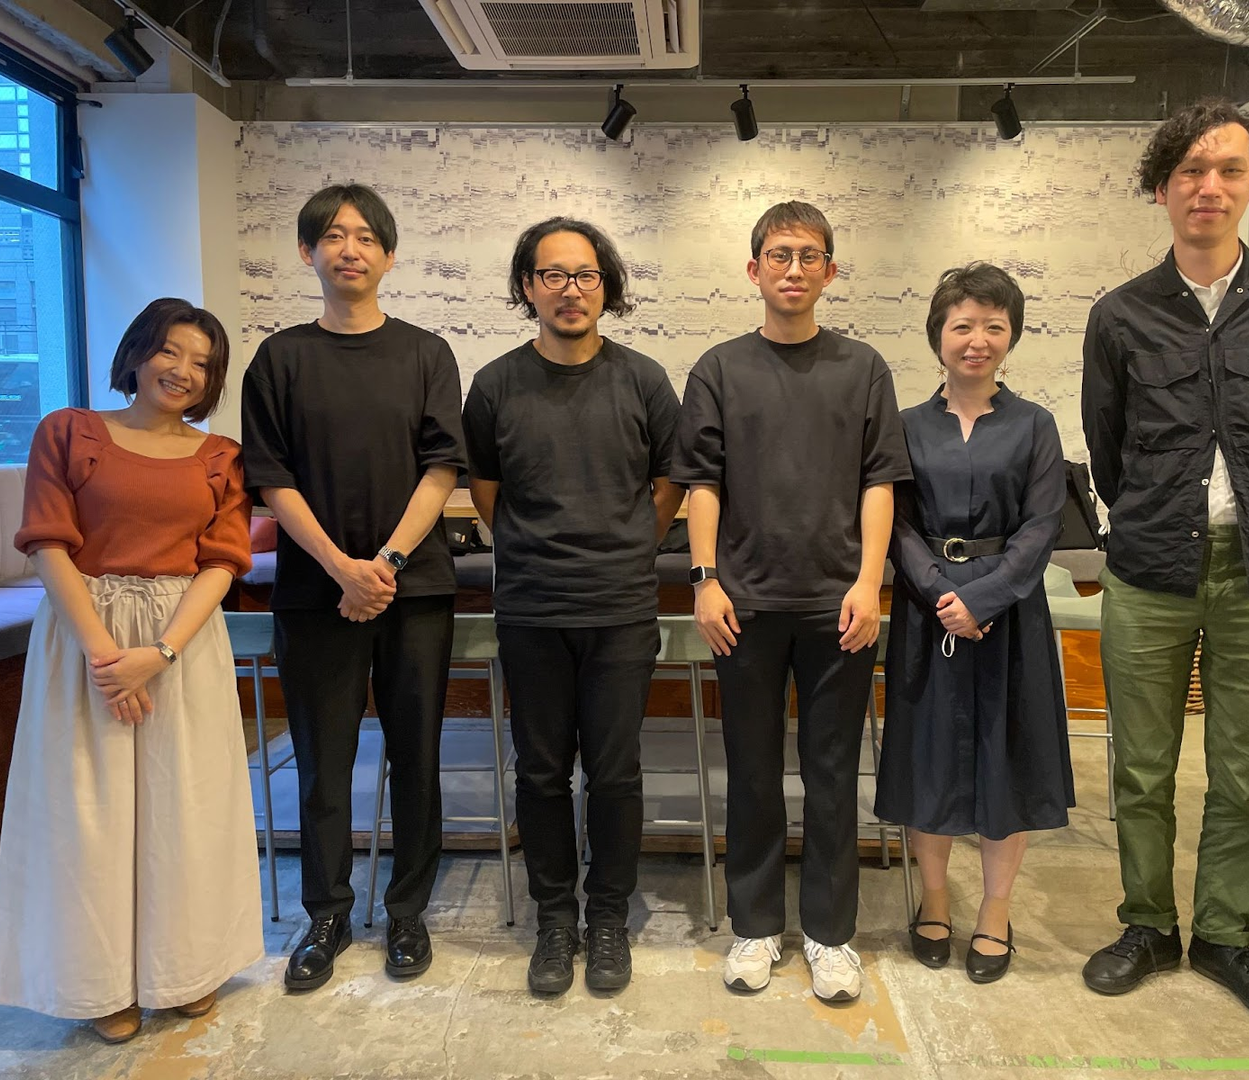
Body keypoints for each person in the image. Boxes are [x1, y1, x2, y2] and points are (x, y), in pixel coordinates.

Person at [1080, 100, 1249, 1027]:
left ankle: (1228, 937)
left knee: (1245, 772)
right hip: (1148, 568)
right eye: (1190, 170)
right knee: (1142, 769)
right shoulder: (1120, 315)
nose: (1209, 186)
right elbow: (1107, 451)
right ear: (1163, 188)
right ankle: (1148, 925)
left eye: (1228, 169)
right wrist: (1159, 516)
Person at [0, 298, 263, 1043]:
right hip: (85, 635)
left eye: (202, 363)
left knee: (187, 806)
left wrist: (160, 653)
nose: (183, 371)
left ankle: (186, 968)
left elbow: (221, 561)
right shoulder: (68, 431)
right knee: (88, 811)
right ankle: (99, 981)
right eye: (171, 351)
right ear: (137, 353)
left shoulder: (221, 456)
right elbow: (48, 543)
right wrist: (106, 658)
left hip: (181, 641)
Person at [672, 200, 911, 1003]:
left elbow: (880, 482)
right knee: (751, 769)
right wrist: (704, 579)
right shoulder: (719, 369)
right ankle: (754, 925)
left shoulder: (863, 368)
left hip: (838, 604)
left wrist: (870, 581)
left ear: (830, 271)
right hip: (743, 604)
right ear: (754, 270)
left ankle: (831, 936)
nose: (794, 269)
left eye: (810, 256)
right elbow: (701, 484)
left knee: (833, 771)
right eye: (779, 255)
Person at [241, 184, 466, 991]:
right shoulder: (280, 359)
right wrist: (342, 567)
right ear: (308, 253)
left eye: (367, 237)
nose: (350, 249)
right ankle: (327, 914)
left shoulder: (426, 353)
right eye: (333, 236)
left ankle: (407, 912)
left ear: (389, 256)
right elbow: (271, 478)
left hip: (415, 592)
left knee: (416, 755)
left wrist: (387, 565)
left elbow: (443, 467)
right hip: (316, 592)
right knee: (322, 761)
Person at [462, 217, 682, 996]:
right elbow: (485, 490)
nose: (570, 289)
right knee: (542, 772)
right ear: (528, 287)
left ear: (605, 286)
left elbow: (670, 483)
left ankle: (609, 918)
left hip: (620, 608)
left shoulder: (643, 380)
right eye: (552, 275)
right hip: (531, 608)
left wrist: (631, 544)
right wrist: (531, 547)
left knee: (616, 773)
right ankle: (556, 919)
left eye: (585, 275)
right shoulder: (495, 385)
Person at [874, 263, 1073, 984]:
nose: (977, 340)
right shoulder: (904, 427)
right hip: (928, 614)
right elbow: (894, 523)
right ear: (939, 336)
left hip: (1009, 615)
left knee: (1004, 759)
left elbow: (1042, 525)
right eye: (963, 325)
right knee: (927, 759)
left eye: (993, 325)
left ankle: (995, 909)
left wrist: (983, 599)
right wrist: (938, 594)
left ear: (1010, 336)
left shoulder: (1034, 425)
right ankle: (933, 899)